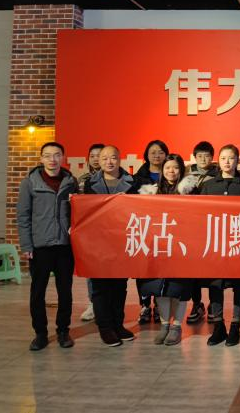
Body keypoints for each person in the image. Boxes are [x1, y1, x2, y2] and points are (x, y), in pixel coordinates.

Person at [17, 142, 79, 351]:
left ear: (63, 157)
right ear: (41, 158)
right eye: (48, 155)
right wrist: (27, 245)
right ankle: (40, 334)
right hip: (40, 246)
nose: (52, 159)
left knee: (65, 291)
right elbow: (23, 216)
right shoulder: (29, 183)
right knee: (37, 292)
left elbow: (77, 213)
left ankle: (63, 331)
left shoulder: (71, 182)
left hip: (64, 246)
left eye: (57, 155)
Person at [138, 154, 199, 345]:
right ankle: (164, 325)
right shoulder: (151, 192)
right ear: (162, 170)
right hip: (159, 246)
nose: (171, 171)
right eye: (167, 168)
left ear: (181, 170)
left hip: (182, 247)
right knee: (160, 289)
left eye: (175, 167)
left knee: (179, 289)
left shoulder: (191, 191)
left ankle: (176, 327)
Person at [84, 145, 139, 346]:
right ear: (99, 161)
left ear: (119, 159)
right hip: (98, 243)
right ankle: (105, 328)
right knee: (100, 287)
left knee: (119, 286)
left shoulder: (133, 182)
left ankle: (118, 324)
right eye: (105, 158)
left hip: (122, 241)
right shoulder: (89, 184)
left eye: (113, 157)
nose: (109, 162)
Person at [199, 144, 240, 347]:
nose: (227, 162)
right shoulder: (208, 185)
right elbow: (201, 213)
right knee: (215, 285)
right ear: (218, 161)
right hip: (215, 244)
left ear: (238, 160)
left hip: (238, 242)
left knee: (238, 285)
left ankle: (235, 326)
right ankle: (218, 326)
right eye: (223, 158)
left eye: (231, 158)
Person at [134, 139, 170, 325]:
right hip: (145, 228)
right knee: (143, 269)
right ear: (146, 155)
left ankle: (159, 304)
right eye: (153, 152)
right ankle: (145, 305)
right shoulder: (137, 178)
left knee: (162, 268)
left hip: (166, 228)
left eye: (161, 152)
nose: (157, 156)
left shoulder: (171, 174)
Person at [185, 140, 218, 324]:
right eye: (200, 156)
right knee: (193, 270)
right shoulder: (186, 174)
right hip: (191, 227)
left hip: (211, 226)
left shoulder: (219, 174)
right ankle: (197, 304)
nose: (203, 159)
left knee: (212, 268)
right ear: (194, 157)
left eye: (207, 156)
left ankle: (214, 304)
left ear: (212, 157)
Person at [77, 142, 104, 322]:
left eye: (99, 155)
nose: (95, 159)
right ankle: (93, 304)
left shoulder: (115, 177)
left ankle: (108, 305)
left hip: (110, 230)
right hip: (90, 230)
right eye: (92, 156)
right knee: (91, 269)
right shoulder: (82, 180)